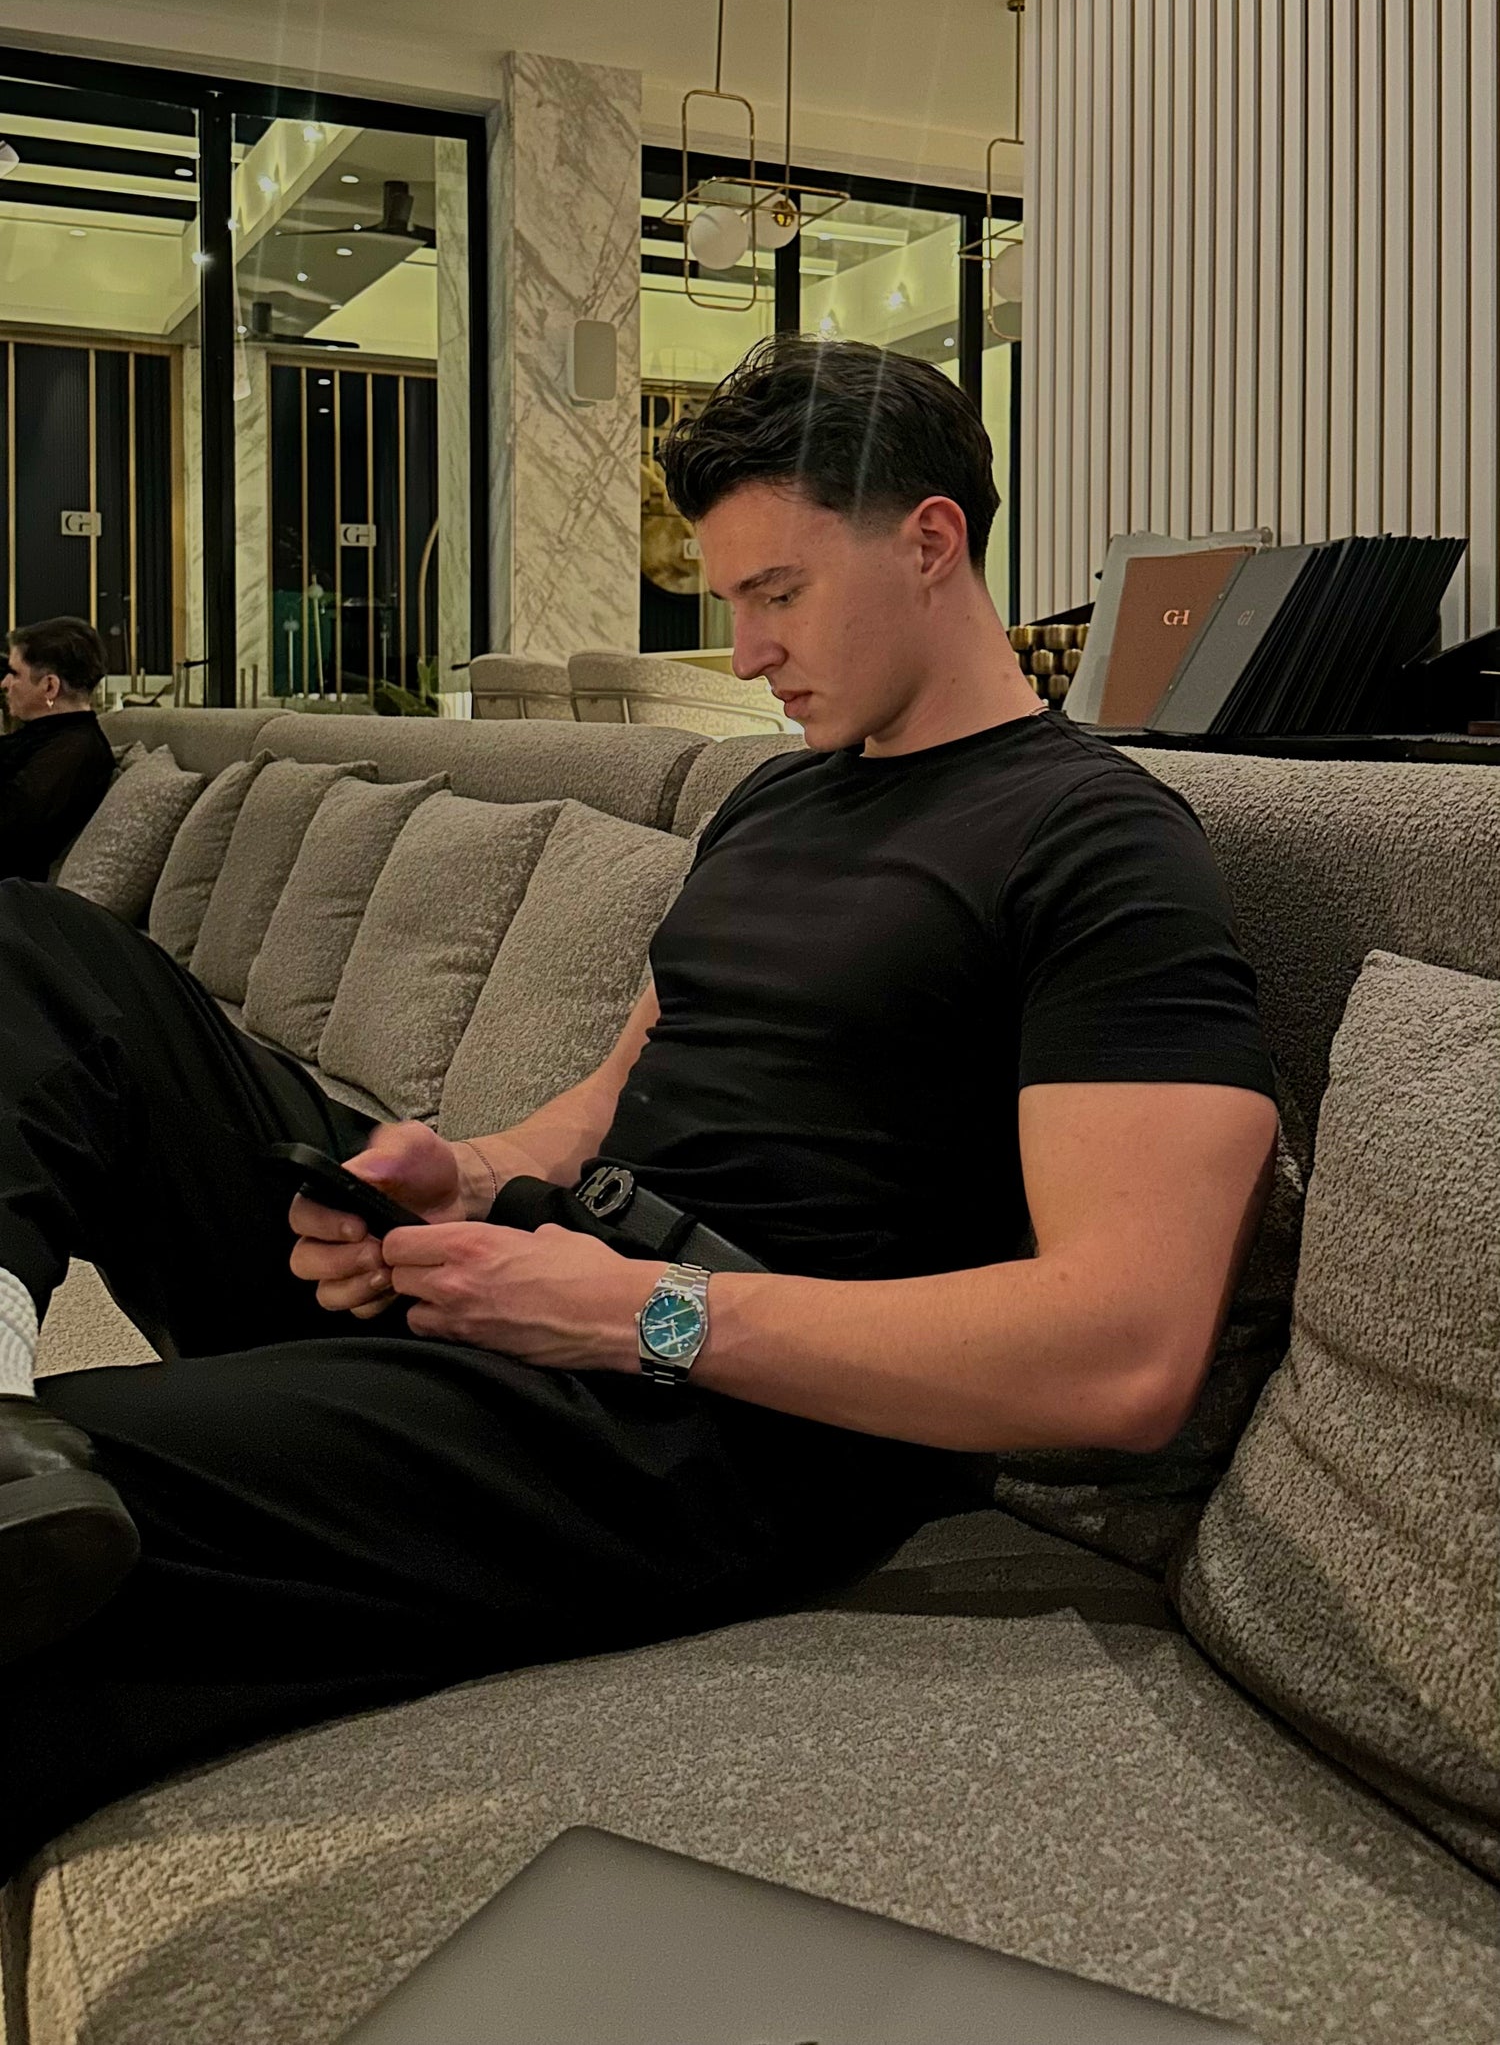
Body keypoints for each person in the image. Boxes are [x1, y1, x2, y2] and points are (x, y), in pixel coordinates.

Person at [0, 339, 1278, 1873]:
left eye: (777, 593)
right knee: (34, 948)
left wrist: (636, 1315)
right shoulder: (775, 796)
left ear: (931, 540)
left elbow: (1126, 1353)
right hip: (555, 1293)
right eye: (730, 600)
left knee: (66, 1506)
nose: (743, 654)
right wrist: (463, 1177)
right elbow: (614, 1094)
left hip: (726, 1423)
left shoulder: (1103, 844)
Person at [0, 616, 114, 882]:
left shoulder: (76, 749)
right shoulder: (43, 733)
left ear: (50, 686)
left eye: (14, 674)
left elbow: (9, 824)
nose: (4, 683)